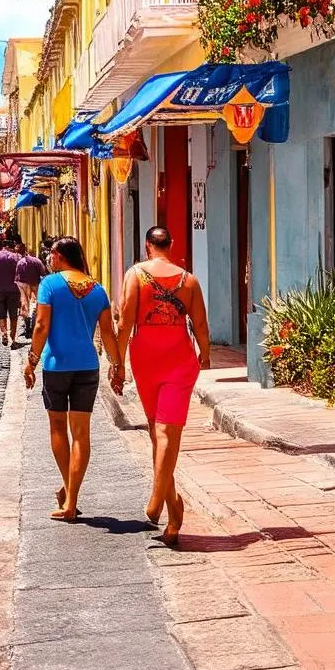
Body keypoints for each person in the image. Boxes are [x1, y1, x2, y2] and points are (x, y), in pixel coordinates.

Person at [115, 226, 211, 547]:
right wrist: (206, 354)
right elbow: (199, 324)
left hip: (148, 361)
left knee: (164, 432)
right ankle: (174, 510)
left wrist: (118, 362)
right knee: (160, 432)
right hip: (179, 359)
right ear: (171, 245)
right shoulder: (190, 281)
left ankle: (156, 501)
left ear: (147, 246)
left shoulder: (135, 275)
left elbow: (126, 322)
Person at [24, 236, 124, 521]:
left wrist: (31, 361)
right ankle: (71, 500)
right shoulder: (97, 289)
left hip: (56, 366)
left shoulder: (50, 285)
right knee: (81, 433)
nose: (49, 259)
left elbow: (42, 325)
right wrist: (117, 366)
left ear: (58, 256)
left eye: (51, 254)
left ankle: (69, 494)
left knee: (58, 428)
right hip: (87, 367)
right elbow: (107, 332)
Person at [0, 240, 21, 347]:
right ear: (11, 247)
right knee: (13, 315)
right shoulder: (17, 257)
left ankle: (4, 333)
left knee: (1, 315)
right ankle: (13, 338)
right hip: (14, 290)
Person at [15, 242, 47, 340]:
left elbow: (17, 276)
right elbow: (43, 272)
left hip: (24, 284)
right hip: (35, 284)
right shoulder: (36, 261)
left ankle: (27, 326)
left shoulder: (20, 262)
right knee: (36, 303)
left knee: (25, 304)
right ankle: (34, 324)